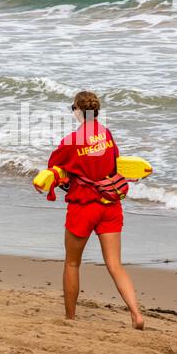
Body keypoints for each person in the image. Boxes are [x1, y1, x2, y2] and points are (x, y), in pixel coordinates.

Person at [47, 91, 144, 330]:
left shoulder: (72, 141)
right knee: (115, 264)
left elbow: (54, 168)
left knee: (72, 263)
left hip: (84, 207)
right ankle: (136, 314)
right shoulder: (107, 134)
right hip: (110, 205)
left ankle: (70, 318)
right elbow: (116, 164)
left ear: (78, 111)